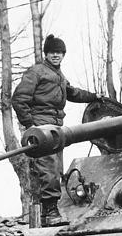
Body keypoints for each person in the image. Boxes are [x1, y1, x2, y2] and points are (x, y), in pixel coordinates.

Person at [11, 34, 100, 226]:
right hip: (42, 126)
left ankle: (46, 214)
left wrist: (94, 96)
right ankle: (51, 212)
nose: (56, 55)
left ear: (63, 55)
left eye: (59, 52)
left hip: (56, 128)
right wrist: (30, 125)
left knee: (56, 170)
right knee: (48, 169)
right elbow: (18, 99)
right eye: (52, 52)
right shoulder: (37, 71)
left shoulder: (59, 75)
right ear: (46, 53)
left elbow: (73, 93)